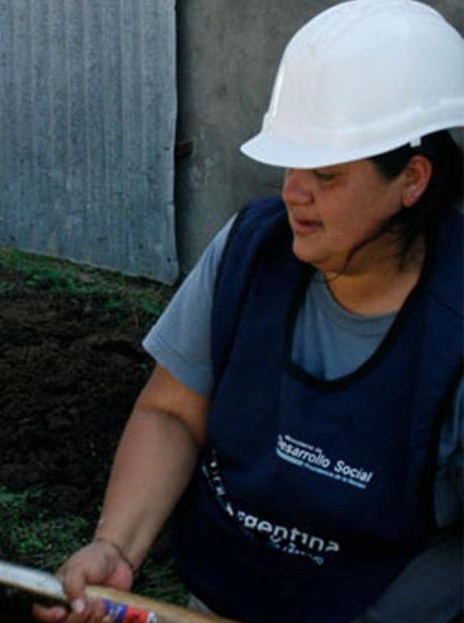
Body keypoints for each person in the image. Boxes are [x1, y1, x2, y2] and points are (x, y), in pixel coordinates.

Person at [34, 1, 463, 622]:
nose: (293, 190)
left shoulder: (451, 324)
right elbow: (172, 412)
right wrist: (115, 545)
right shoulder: (252, 252)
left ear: (413, 180)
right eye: (291, 161)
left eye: (326, 173)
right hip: (221, 595)